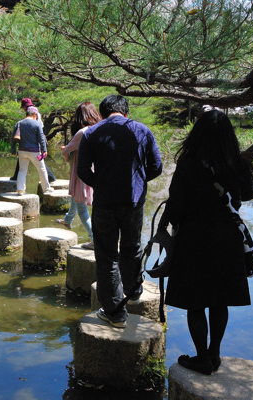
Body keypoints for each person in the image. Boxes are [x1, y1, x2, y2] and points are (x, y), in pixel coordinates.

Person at [158, 110, 253, 375]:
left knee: (196, 300)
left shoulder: (189, 163)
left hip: (194, 239)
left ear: (197, 133)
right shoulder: (238, 163)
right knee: (219, 298)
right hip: (228, 239)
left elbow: (176, 206)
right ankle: (214, 352)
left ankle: (201, 356)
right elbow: (249, 194)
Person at [77, 94, 162, 328]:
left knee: (106, 255)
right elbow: (156, 167)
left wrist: (101, 183)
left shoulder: (92, 133)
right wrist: (138, 182)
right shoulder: (142, 130)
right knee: (132, 246)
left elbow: (82, 170)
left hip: (105, 202)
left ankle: (115, 313)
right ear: (125, 111)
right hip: (133, 201)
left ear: (103, 113)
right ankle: (133, 291)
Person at [56, 102, 102, 249]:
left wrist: (67, 155)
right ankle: (68, 220)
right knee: (77, 197)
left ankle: (94, 240)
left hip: (80, 172)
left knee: (82, 210)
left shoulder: (82, 132)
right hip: (94, 172)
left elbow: (65, 152)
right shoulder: (99, 130)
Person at [10, 98, 56, 182]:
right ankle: (50, 177)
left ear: (25, 106)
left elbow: (34, 126)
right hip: (35, 137)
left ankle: (51, 177)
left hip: (32, 138)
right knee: (34, 159)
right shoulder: (35, 110)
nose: (23, 109)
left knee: (37, 160)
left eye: (23, 107)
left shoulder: (31, 111)